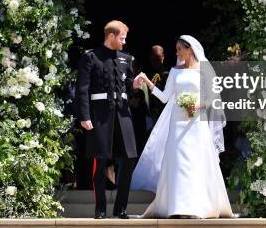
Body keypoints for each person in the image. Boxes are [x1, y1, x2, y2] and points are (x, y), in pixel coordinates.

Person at [131, 35, 233, 218]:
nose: (177, 52)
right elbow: (164, 97)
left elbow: (213, 97)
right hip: (177, 121)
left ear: (190, 49)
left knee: (195, 161)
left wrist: (198, 106)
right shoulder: (175, 71)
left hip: (196, 121)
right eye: (176, 49)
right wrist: (147, 81)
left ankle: (196, 206)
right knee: (178, 162)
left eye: (179, 49)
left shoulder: (204, 69)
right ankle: (177, 207)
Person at [75, 20, 140, 219]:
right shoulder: (91, 57)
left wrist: (134, 83)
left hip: (123, 115)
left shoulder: (126, 58)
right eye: (122, 38)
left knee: (129, 158)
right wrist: (85, 116)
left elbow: (127, 85)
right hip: (100, 116)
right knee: (100, 160)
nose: (124, 42)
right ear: (111, 36)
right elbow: (82, 90)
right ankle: (100, 208)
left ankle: (121, 208)